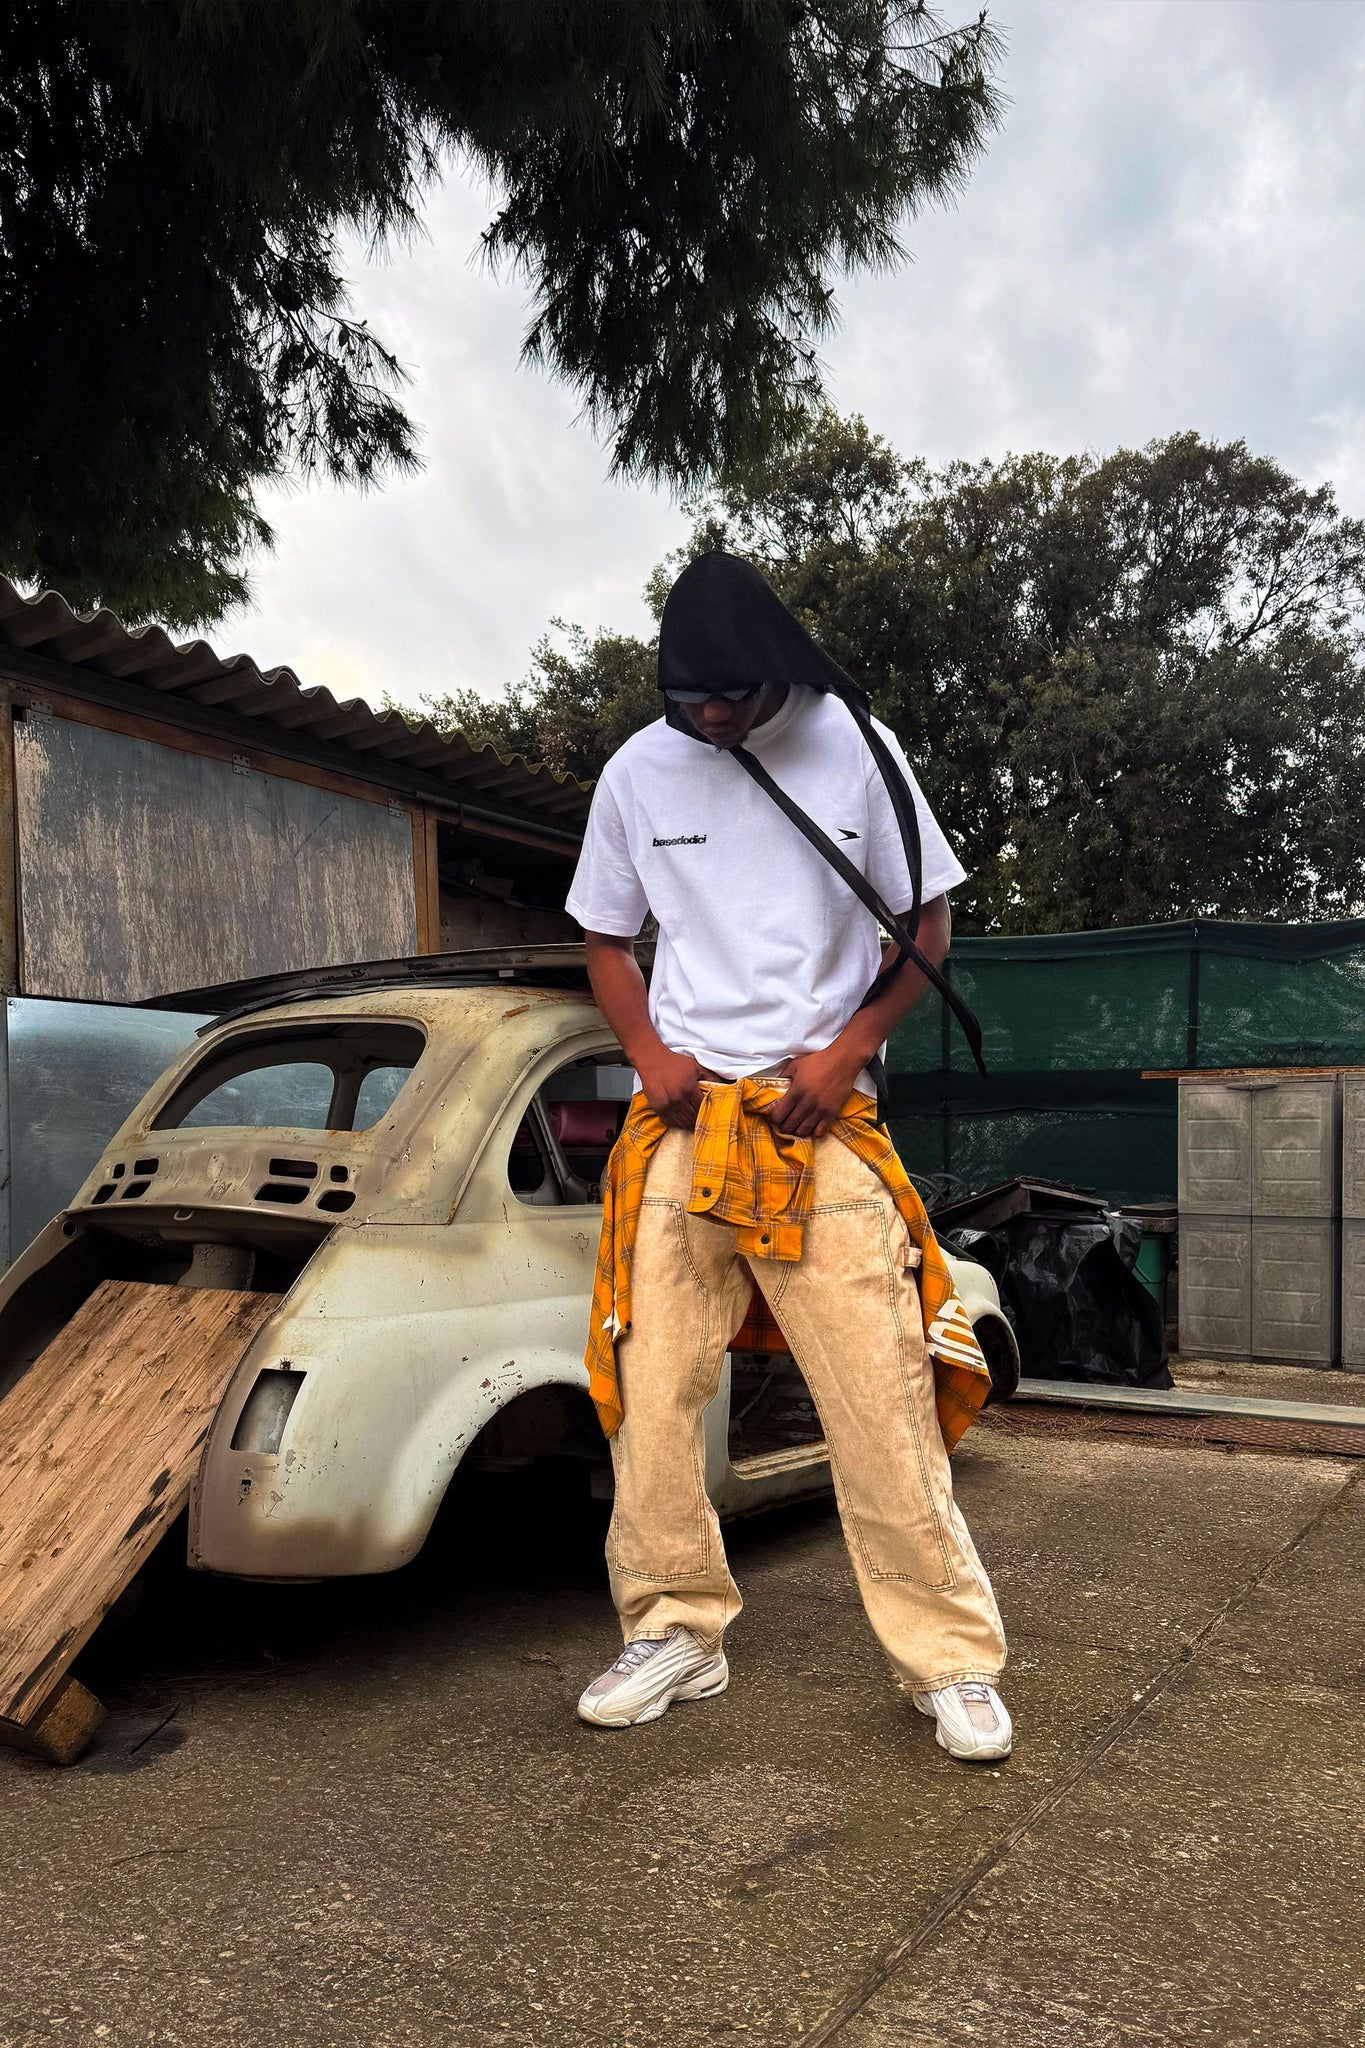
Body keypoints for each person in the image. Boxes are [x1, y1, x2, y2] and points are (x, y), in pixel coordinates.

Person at [564, 552, 1010, 1763]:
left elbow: (929, 925)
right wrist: (647, 1048)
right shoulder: (636, 770)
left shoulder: (860, 746)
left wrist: (845, 1049)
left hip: (820, 1122)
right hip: (684, 1120)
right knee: (648, 1396)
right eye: (689, 697)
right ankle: (674, 1628)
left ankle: (952, 1660)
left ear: (781, 670)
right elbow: (606, 937)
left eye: (731, 696)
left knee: (879, 1400)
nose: (708, 716)